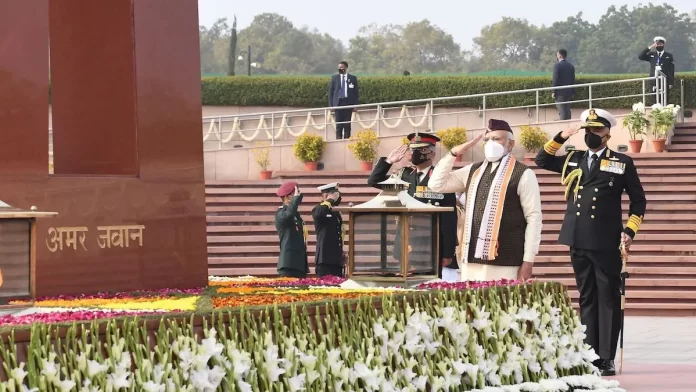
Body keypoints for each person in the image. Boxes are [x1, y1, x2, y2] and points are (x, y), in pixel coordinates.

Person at [535, 108, 646, 376]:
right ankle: (588, 353)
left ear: (607, 135)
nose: (591, 136)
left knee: (608, 298)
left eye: (596, 131)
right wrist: (561, 136)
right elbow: (542, 160)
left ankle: (606, 357)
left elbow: (638, 201)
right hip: (578, 237)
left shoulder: (621, 162)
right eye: (588, 131)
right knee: (587, 297)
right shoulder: (575, 158)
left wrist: (630, 232)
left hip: (607, 240)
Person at [429, 119, 542, 282]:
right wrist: (453, 153)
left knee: (501, 306)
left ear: (510, 144)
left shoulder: (523, 173)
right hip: (471, 259)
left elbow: (534, 218)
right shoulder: (473, 170)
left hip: (507, 261)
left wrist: (528, 261)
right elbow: (435, 185)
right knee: (471, 306)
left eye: (496, 139)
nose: (490, 143)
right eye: (486, 140)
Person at [367, 133, 458, 277]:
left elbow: (449, 218)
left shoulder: (440, 177)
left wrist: (447, 251)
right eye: (412, 150)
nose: (413, 153)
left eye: (419, 150)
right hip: (406, 240)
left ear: (432, 154)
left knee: (427, 290)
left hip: (430, 244)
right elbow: (374, 181)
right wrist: (389, 162)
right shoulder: (404, 175)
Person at [275, 181, 309, 278]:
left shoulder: (295, 214)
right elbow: (288, 215)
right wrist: (295, 201)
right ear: (288, 197)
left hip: (299, 265)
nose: (297, 196)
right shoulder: (280, 213)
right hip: (288, 265)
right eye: (295, 194)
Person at [312, 182, 345, 277]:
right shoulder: (318, 209)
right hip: (324, 260)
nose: (338, 197)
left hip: (336, 261)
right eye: (335, 195)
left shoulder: (335, 212)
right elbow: (319, 213)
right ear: (326, 195)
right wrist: (329, 200)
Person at [327, 61, 360, 140]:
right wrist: (331, 106)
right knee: (338, 125)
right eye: (339, 68)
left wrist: (355, 105)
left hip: (348, 103)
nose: (340, 69)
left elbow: (356, 93)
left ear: (346, 68)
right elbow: (330, 93)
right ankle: (338, 140)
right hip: (338, 103)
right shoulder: (334, 78)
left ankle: (347, 140)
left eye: (342, 67)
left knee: (347, 125)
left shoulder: (352, 78)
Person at [638, 36, 675, 104]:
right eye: (657, 44)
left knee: (665, 98)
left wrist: (671, 82)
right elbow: (640, 56)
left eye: (660, 44)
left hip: (664, 80)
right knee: (654, 97)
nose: (659, 45)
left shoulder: (668, 56)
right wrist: (650, 47)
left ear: (663, 45)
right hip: (654, 80)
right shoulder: (651, 54)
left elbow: (671, 70)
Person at [552, 48, 576, 120]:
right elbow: (573, 80)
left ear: (559, 56)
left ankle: (563, 126)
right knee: (567, 109)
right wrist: (573, 92)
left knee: (562, 110)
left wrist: (553, 91)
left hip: (559, 92)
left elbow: (555, 79)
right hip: (569, 92)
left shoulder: (557, 65)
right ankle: (569, 124)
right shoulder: (571, 66)